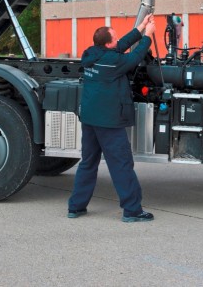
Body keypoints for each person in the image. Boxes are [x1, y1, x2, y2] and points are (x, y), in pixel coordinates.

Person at [67, 14, 156, 222]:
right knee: (122, 164)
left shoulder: (91, 54)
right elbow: (133, 58)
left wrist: (141, 27)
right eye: (114, 38)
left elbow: (121, 45)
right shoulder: (113, 62)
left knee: (88, 163)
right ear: (107, 43)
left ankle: (76, 207)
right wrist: (148, 36)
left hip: (90, 119)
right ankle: (132, 211)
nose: (118, 41)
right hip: (108, 122)